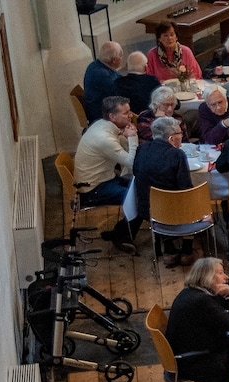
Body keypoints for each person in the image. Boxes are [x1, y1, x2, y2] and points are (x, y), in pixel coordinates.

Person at [127, 117, 192, 265]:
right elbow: (185, 188)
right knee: (193, 202)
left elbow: (136, 173)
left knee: (163, 198)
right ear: (171, 138)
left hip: (146, 208)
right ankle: (187, 249)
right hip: (170, 210)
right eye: (180, 133)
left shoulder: (141, 148)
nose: (182, 135)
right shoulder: (177, 154)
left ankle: (168, 247)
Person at [76, 96, 137, 228]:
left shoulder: (101, 124)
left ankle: (121, 233)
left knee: (140, 188)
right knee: (138, 199)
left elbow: (126, 152)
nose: (131, 115)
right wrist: (132, 137)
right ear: (112, 117)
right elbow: (132, 163)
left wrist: (125, 136)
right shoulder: (104, 138)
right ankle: (121, 234)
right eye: (126, 113)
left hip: (105, 179)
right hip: (93, 190)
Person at [83, 41, 122, 123]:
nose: (121, 59)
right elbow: (119, 94)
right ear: (114, 60)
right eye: (120, 56)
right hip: (100, 116)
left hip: (97, 108)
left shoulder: (95, 65)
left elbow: (119, 78)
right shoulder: (103, 75)